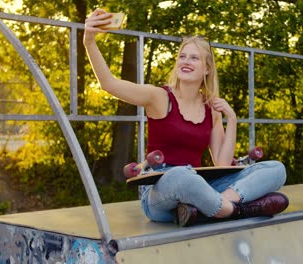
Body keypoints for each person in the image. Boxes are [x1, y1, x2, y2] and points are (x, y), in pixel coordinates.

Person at [84, 9, 289, 227]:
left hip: (199, 186)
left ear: (207, 69)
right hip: (163, 190)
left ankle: (205, 209)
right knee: (181, 175)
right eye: (182, 56)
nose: (185, 61)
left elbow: (221, 162)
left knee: (275, 169)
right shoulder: (160, 97)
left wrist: (233, 119)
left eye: (194, 58)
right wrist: (89, 41)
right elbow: (109, 83)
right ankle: (234, 210)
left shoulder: (212, 108)